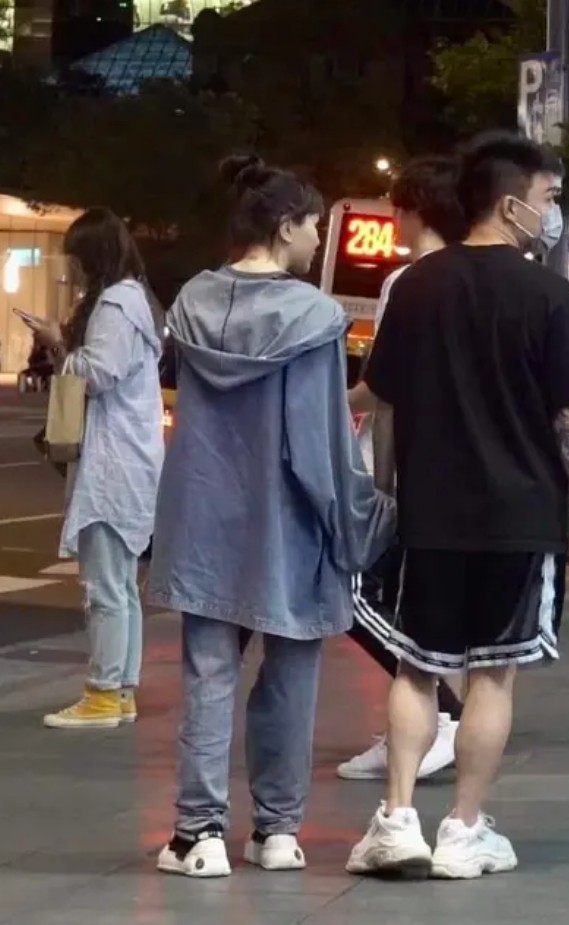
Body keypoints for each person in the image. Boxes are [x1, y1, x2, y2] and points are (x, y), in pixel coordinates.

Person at [346, 131, 569, 879]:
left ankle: (396, 821)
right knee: (492, 677)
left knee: (415, 669)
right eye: (548, 197)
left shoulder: (416, 287)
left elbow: (382, 396)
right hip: (520, 518)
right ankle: (463, 830)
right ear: (511, 202)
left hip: (430, 515)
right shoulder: (549, 295)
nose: (552, 213)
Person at [148, 155, 396, 879]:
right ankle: (278, 832)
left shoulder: (191, 302)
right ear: (285, 226)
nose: (318, 239)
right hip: (289, 521)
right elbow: (320, 442)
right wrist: (354, 518)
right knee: (290, 677)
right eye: (314, 224)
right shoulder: (314, 317)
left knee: (208, 675)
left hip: (203, 517)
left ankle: (197, 835)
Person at [339, 155, 467, 782]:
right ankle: (420, 725)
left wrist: (332, 405)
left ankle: (439, 717)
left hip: (402, 465)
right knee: (419, 604)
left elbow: (384, 387)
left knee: (354, 595)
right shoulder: (480, 277)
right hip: (460, 469)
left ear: (411, 210)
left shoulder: (408, 281)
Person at [31, 208, 164, 729]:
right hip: (132, 458)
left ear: (93, 256)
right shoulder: (138, 301)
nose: (72, 268)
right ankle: (121, 690)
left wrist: (58, 344)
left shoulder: (114, 304)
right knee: (122, 586)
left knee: (105, 587)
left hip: (112, 464)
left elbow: (98, 374)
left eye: (76, 258)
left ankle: (104, 693)